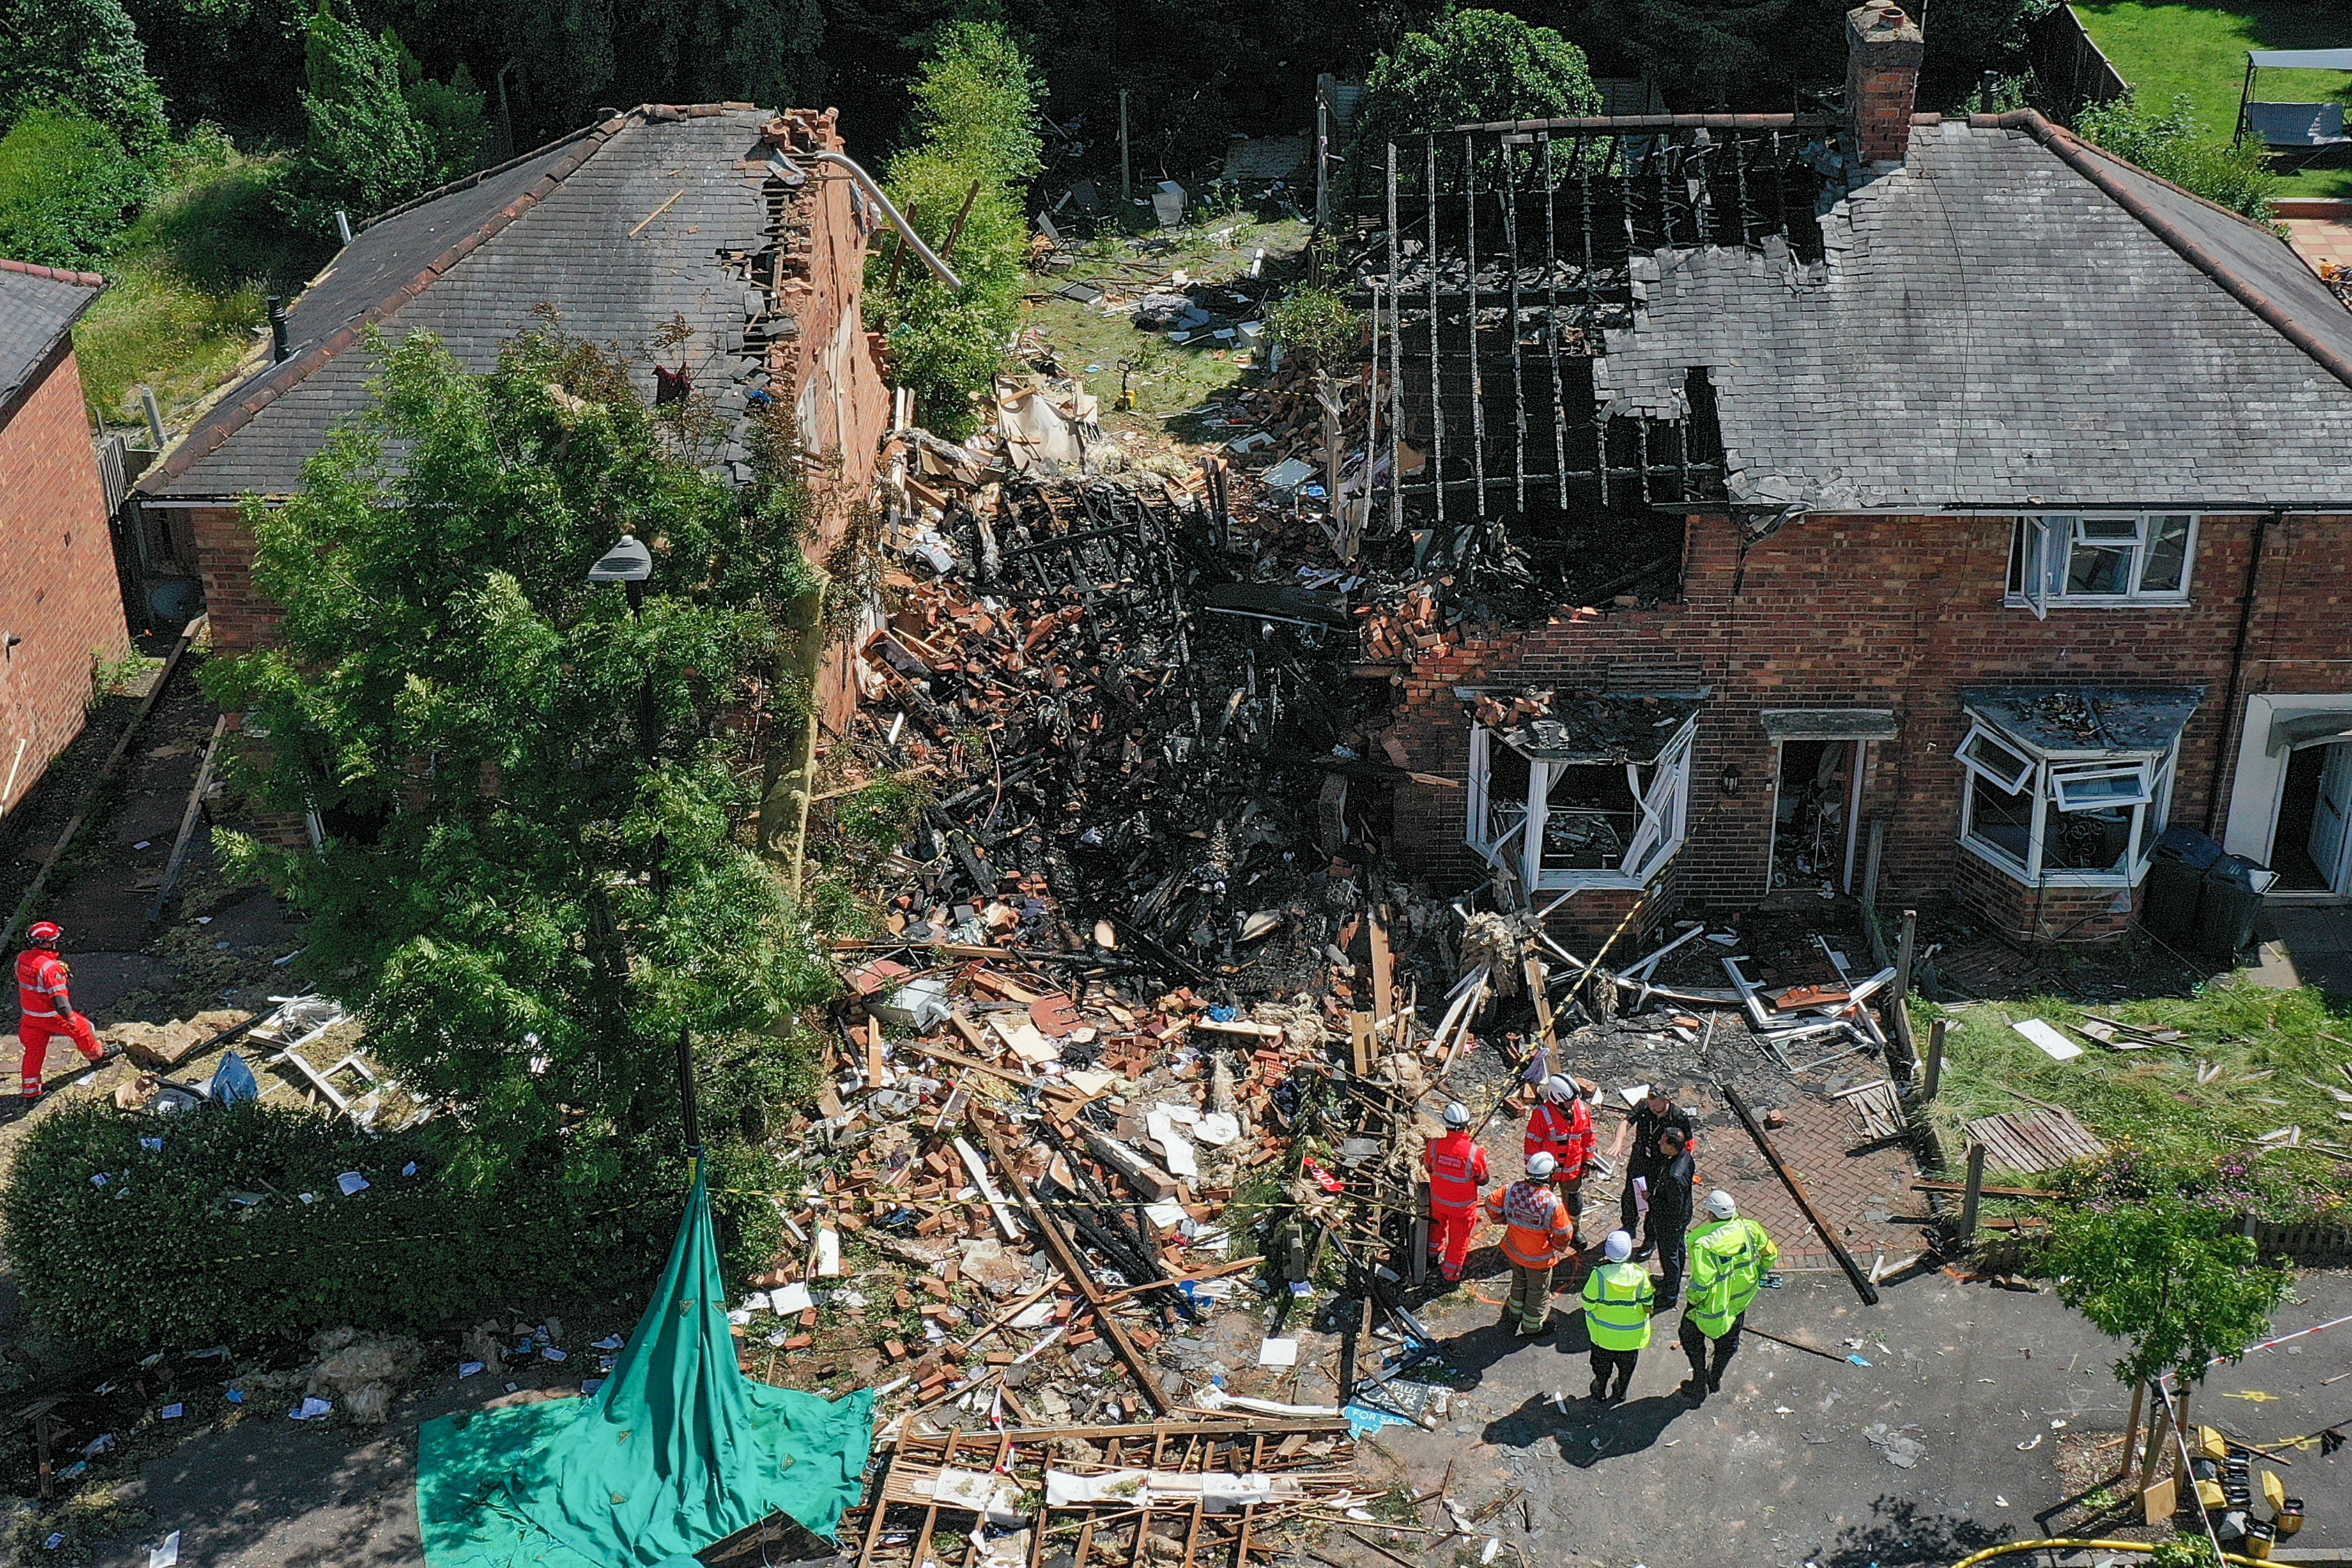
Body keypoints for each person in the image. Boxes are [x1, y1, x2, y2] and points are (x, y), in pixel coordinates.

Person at [1678, 1190, 1779, 1404]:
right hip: (1739, 1301)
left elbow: (1701, 1283)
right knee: (1727, 1344)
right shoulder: (1750, 1229)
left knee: (1690, 1337)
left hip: (1711, 1306)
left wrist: (1693, 1301)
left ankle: (1699, 1381)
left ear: (1711, 1215)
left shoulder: (1704, 1243)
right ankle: (1715, 1379)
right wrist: (1760, 1273)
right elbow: (1771, 1253)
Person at [1484, 1151, 1576, 1337]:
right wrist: (1556, 1247)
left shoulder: (1511, 1189)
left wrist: (1503, 1220)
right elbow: (1565, 1233)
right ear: (1549, 1176)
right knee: (1537, 1292)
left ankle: (1514, 1314)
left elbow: (1491, 1204)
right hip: (1538, 1260)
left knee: (1519, 1281)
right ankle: (1532, 1327)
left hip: (1513, 1251)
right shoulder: (1552, 1203)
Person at [15, 921, 109, 1100]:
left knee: (33, 1053)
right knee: (84, 1029)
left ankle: (31, 1092)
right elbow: (60, 1001)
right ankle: (98, 1055)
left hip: (29, 1017)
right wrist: (70, 1018)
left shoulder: (21, 959)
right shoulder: (51, 969)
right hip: (52, 1016)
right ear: (49, 942)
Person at [1609, 1084, 1697, 1256]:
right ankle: (1629, 1226)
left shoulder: (1678, 1117)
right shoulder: (1644, 1106)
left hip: (1660, 1165)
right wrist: (1618, 1142)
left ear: (1666, 1102)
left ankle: (1649, 1241)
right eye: (1650, 1104)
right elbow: (1626, 1122)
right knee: (1630, 1196)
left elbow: (1687, 1144)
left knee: (1653, 1204)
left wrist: (1679, 1167)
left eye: (1656, 1105)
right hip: (1640, 1158)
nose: (1652, 1108)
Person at [1581, 1229, 1654, 1404]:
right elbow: (1648, 1304)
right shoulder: (1641, 1276)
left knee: (1601, 1368)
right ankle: (1621, 1392)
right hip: (1631, 1340)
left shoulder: (1598, 1276)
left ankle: (1599, 1389)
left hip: (1603, 1338)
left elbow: (1587, 1303)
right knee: (1627, 1369)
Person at [1424, 1100, 1491, 1282]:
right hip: (1463, 1208)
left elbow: (1429, 1168)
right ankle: (1450, 1273)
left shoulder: (1434, 1145)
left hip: (1438, 1201)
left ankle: (1431, 1256)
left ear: (1445, 1124)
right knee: (1459, 1241)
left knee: (1436, 1229)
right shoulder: (1474, 1153)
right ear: (1466, 1125)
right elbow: (1484, 1180)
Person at [1525, 1073, 1597, 1224]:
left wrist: (1589, 1158)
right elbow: (1532, 1144)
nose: (1574, 1104)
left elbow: (1588, 1135)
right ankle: (1541, 1230)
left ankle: (1573, 1230)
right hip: (1547, 1173)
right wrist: (1533, 1171)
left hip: (1573, 1171)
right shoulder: (1542, 1115)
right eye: (1570, 1101)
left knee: (1574, 1205)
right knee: (1540, 1204)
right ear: (1557, 1100)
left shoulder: (1582, 1110)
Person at [1646, 1125, 1698, 1309]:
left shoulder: (1674, 1175)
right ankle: (1671, 1281)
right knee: (1678, 1249)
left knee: (1670, 1256)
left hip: (1671, 1221)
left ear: (1672, 1147)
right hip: (1683, 1215)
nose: (1660, 1142)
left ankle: (1669, 1294)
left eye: (1663, 1141)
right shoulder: (1686, 1157)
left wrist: (1650, 1199)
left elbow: (1672, 1207)